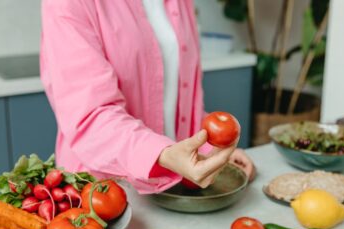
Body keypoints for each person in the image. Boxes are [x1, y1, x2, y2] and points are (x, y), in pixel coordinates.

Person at [40, 0, 256, 194]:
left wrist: (210, 150)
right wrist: (163, 154)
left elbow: (177, 99)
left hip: (170, 189)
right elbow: (91, 117)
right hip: (101, 196)